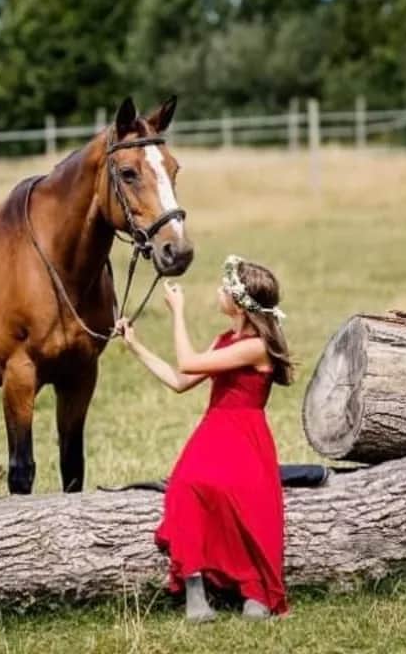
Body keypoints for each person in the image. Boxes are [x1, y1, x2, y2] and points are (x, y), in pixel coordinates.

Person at [117, 254, 293, 622]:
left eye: (225, 287)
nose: (218, 291)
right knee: (187, 486)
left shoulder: (256, 346)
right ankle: (195, 591)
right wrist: (136, 346)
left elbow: (187, 362)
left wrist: (177, 312)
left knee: (245, 501)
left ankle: (255, 590)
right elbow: (180, 381)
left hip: (246, 437)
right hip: (214, 432)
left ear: (241, 303)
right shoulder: (224, 339)